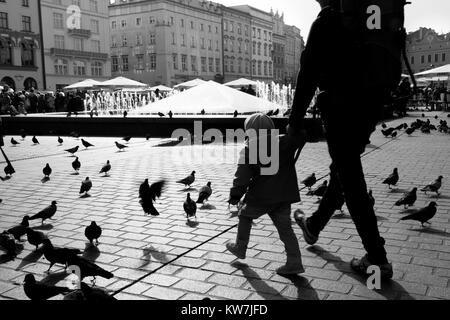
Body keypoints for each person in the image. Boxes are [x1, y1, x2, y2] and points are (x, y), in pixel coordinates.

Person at [288, 0, 393, 279]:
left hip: (339, 108)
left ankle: (377, 258)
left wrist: (294, 123)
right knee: (343, 171)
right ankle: (314, 225)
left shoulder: (326, 21)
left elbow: (308, 75)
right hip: (370, 108)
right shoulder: (370, 16)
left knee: (351, 179)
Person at [226, 113, 307, 275]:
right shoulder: (284, 141)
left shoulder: (249, 150)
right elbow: (301, 137)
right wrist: (294, 130)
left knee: (244, 215)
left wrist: (235, 195)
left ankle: (240, 247)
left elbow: (241, 176)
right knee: (285, 229)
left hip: (260, 197)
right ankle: (294, 261)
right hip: (283, 196)